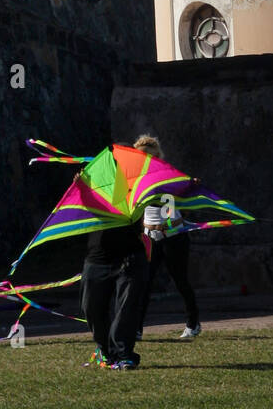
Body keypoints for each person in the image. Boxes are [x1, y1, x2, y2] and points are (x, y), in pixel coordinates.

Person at [134, 133, 201, 341]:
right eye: (142, 157)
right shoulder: (134, 180)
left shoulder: (169, 175)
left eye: (151, 157)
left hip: (174, 236)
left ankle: (193, 323)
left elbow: (186, 193)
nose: (147, 161)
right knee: (144, 283)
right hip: (149, 237)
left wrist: (192, 186)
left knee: (180, 281)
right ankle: (136, 328)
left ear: (158, 157)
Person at [80, 174, 148, 370]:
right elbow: (85, 209)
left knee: (126, 309)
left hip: (129, 257)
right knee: (90, 307)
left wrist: (185, 187)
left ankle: (124, 354)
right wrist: (82, 189)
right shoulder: (94, 191)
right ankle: (106, 351)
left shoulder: (136, 190)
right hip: (97, 257)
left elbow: (157, 198)